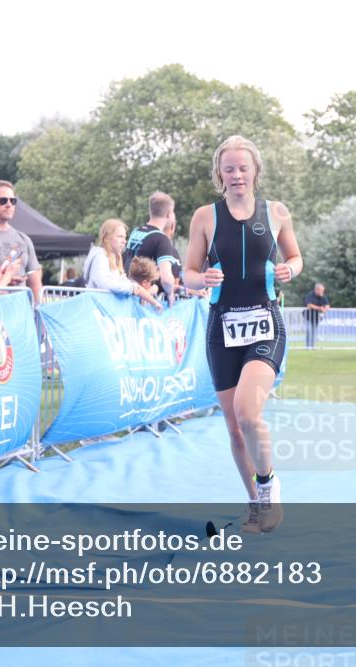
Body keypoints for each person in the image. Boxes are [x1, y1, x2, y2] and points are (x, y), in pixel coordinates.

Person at [183, 135, 302, 533]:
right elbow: (188, 275)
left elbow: (296, 257)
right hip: (221, 327)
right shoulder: (204, 216)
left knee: (248, 414)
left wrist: (291, 270)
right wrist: (203, 278)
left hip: (265, 322)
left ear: (255, 171)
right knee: (234, 428)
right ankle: (257, 508)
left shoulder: (277, 211)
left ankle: (269, 488)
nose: (237, 175)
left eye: (243, 168)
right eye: (229, 168)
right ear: (220, 173)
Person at [0, 180, 44, 303]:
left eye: (13, 201)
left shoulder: (24, 239)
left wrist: (38, 313)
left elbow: (35, 283)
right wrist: (6, 279)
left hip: (20, 311)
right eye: (3, 200)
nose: (9, 204)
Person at [84, 218, 161, 309]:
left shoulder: (115, 259)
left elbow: (128, 284)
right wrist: (131, 288)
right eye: (120, 236)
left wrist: (153, 301)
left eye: (125, 237)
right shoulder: (100, 256)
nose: (124, 241)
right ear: (107, 238)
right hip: (97, 310)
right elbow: (104, 283)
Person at [123, 191, 180, 307]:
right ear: (169, 214)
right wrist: (170, 293)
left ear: (151, 211)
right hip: (145, 301)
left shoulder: (136, 231)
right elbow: (167, 279)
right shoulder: (162, 239)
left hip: (129, 294)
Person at [304, 283, 330, 349]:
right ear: (317, 289)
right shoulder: (310, 295)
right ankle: (308, 346)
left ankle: (312, 346)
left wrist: (325, 309)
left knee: (314, 332)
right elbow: (309, 305)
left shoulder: (323, 296)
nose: (322, 292)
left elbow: (327, 306)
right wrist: (320, 308)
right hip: (308, 317)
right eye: (321, 290)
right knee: (309, 330)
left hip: (316, 318)